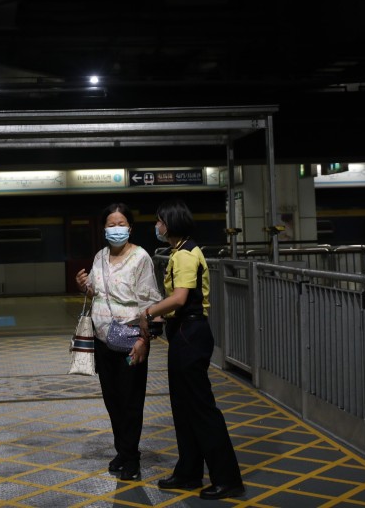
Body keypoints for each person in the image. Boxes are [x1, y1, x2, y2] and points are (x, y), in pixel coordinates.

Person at [137, 198, 244, 501]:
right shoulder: (181, 250)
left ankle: (227, 478)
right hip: (184, 332)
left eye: (158, 221)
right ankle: (188, 472)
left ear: (168, 224)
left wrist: (148, 313)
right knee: (183, 409)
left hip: (190, 334)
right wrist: (159, 316)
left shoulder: (185, 255)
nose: (156, 226)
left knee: (200, 409)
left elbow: (180, 298)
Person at [75, 202, 161, 481]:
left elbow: (150, 301)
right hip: (102, 339)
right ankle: (122, 451)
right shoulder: (100, 256)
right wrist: (84, 287)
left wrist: (144, 341)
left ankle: (132, 457)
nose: (116, 229)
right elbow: (98, 292)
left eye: (120, 223)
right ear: (104, 229)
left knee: (131, 400)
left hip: (130, 338)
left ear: (130, 227)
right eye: (111, 224)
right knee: (112, 399)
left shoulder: (141, 258)